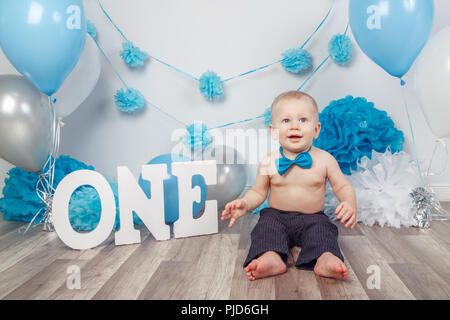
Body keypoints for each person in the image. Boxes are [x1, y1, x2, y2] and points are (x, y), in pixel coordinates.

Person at [221, 90, 357, 281]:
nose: (295, 126)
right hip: (276, 216)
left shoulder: (325, 160)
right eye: (286, 121)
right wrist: (244, 203)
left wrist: (349, 203)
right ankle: (271, 257)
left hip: (313, 218)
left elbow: (343, 187)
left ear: (316, 129)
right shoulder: (269, 161)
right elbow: (258, 192)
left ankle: (325, 258)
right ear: (273, 131)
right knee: (265, 229)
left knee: (324, 231)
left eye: (303, 120)